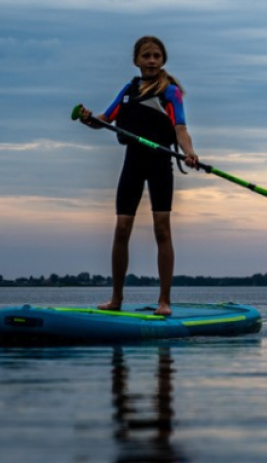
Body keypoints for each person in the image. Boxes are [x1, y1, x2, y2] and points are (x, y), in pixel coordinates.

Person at [76, 36, 201, 316]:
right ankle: (116, 299)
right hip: (133, 161)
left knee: (161, 229)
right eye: (146, 56)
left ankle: (164, 301)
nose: (152, 60)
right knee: (121, 230)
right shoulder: (129, 90)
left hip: (160, 162)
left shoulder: (170, 92)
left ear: (163, 60)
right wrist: (88, 118)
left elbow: (181, 128)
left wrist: (190, 153)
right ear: (136, 61)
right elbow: (105, 120)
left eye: (157, 55)